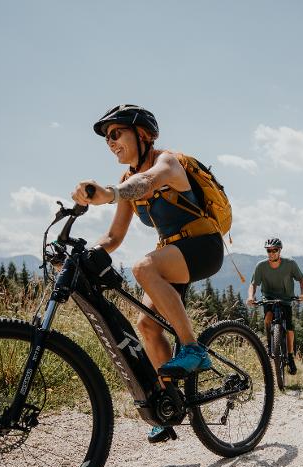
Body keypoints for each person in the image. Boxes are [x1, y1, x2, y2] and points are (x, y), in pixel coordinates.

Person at [71, 104, 224, 442]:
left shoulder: (166, 162)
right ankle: (168, 406)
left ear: (142, 135)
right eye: (106, 139)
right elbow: (113, 238)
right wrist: (78, 253)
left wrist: (109, 193)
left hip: (203, 247)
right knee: (147, 325)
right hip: (171, 255)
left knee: (143, 266)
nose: (111, 142)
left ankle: (192, 348)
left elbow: (147, 182)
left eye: (116, 134)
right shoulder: (127, 181)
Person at [247, 238, 303, 374]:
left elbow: (302, 280)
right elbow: (253, 284)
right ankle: (270, 345)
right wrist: (251, 296)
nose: (272, 253)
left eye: (275, 250)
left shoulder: (290, 264)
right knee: (268, 318)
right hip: (268, 298)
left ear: (280, 250)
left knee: (290, 328)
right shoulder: (261, 266)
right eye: (269, 250)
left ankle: (290, 356)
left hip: (286, 299)